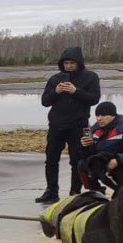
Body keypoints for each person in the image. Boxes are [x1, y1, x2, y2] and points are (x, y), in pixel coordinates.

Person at [37, 47, 100, 204]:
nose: (69, 66)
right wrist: (56, 91)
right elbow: (45, 101)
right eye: (66, 63)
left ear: (79, 63)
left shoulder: (90, 77)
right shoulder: (55, 79)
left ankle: (75, 192)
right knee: (51, 159)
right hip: (56, 125)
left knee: (77, 160)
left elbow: (94, 99)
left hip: (79, 125)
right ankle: (51, 191)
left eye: (72, 63)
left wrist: (75, 91)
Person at [78, 101, 123, 196]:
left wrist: (118, 160)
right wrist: (85, 147)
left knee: (122, 188)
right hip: (105, 161)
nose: (99, 118)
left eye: (103, 115)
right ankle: (96, 191)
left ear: (112, 115)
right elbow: (89, 154)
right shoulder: (94, 128)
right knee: (83, 164)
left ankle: (122, 193)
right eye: (97, 115)